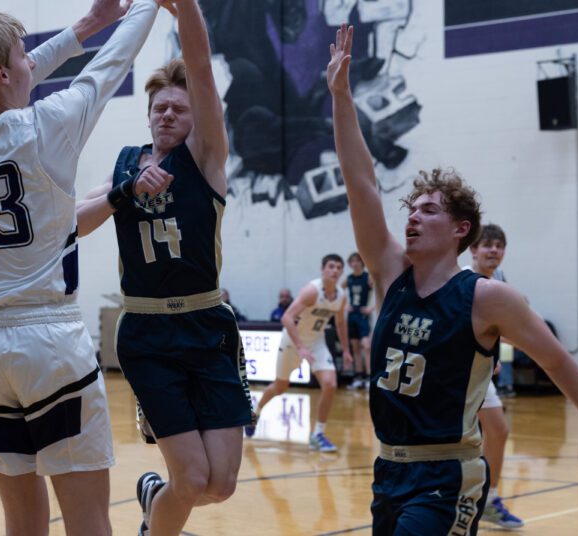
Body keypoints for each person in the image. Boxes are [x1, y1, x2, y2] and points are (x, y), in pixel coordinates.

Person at [328, 24, 578, 535]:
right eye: (411, 209)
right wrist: (340, 96)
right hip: (388, 470)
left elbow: (557, 361)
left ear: (461, 229)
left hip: (447, 475)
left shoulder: (488, 297)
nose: (412, 217)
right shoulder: (390, 274)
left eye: (428, 210)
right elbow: (360, 184)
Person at [0, 1, 162, 534]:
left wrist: (87, 25)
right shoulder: (45, 126)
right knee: (88, 521)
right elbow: (112, 64)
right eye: (22, 54)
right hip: (48, 342)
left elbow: (7, 78)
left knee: (22, 521)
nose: (32, 61)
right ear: (2, 73)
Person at [79, 2, 252, 534]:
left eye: (179, 107)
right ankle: (158, 517)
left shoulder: (205, 158)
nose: (168, 114)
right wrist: (123, 192)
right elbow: (73, 223)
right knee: (193, 477)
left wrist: (188, 11)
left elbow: (200, 68)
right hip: (148, 333)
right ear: (148, 113)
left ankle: (154, 497)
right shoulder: (125, 166)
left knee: (220, 484)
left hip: (206, 326)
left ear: (197, 117)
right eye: (160, 107)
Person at [245, 254, 353, 453]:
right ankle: (255, 412)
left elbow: (340, 323)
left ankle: (318, 434)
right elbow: (287, 318)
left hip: (317, 342)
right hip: (292, 341)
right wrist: (301, 347)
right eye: (331, 266)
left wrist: (346, 350)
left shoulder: (341, 295)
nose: (335, 270)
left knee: (330, 384)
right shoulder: (312, 291)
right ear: (323, 269)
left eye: (339, 267)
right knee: (280, 386)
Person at [466, 224, 523, 528]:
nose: (494, 250)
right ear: (473, 249)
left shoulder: (498, 280)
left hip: (478, 373)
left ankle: (488, 500)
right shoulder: (463, 281)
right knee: (454, 441)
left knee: (498, 431)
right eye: (487, 244)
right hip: (451, 374)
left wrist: (493, 355)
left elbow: (498, 326)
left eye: (499, 246)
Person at [342, 252, 373, 389]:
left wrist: (371, 308)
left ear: (362, 262)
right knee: (355, 347)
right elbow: (337, 290)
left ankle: (369, 377)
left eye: (357, 261)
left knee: (366, 346)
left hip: (363, 315)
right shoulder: (349, 279)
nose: (355, 263)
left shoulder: (368, 277)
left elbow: (381, 290)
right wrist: (344, 305)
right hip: (352, 315)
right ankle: (358, 377)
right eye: (352, 261)